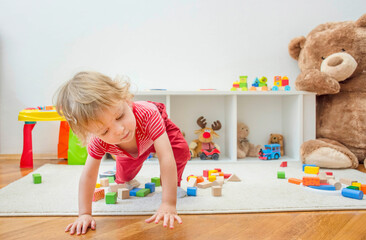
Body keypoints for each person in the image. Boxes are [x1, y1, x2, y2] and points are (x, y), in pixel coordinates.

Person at [55, 71, 190, 235]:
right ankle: (124, 174)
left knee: (180, 151)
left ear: (127, 100)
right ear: (92, 134)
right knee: (124, 177)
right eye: (104, 131)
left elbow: (165, 156)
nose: (119, 130)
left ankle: (173, 185)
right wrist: (84, 214)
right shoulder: (98, 141)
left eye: (120, 116)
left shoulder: (148, 114)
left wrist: (168, 203)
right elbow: (89, 175)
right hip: (127, 149)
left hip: (159, 133)